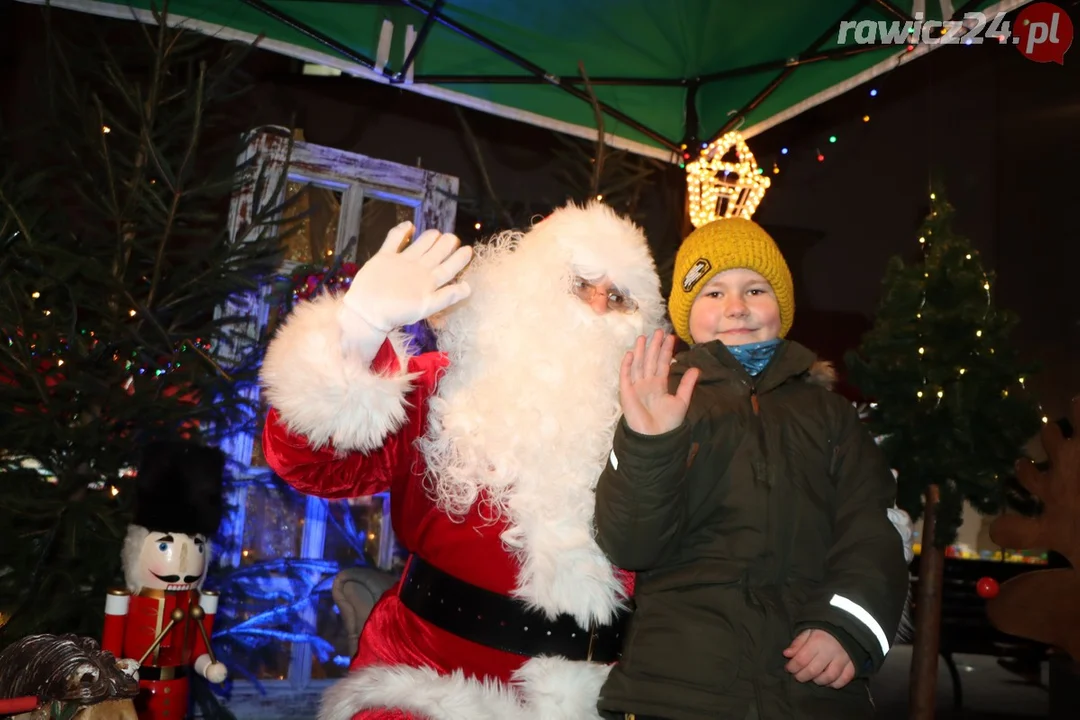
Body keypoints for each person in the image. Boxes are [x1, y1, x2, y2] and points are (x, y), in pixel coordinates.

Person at [258, 202, 667, 719]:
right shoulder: (443, 386)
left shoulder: (652, 420)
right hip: (423, 687)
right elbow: (310, 463)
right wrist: (356, 331)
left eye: (617, 297)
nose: (596, 309)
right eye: (578, 283)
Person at [593, 217, 910, 720]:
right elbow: (631, 543)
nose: (736, 307)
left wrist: (845, 628)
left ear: (781, 306)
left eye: (754, 289)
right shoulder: (662, 403)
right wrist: (649, 443)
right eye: (713, 292)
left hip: (811, 692)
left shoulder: (828, 415)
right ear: (684, 314)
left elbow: (872, 533)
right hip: (677, 691)